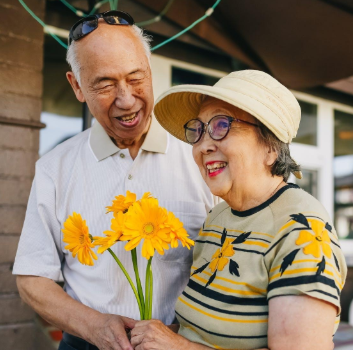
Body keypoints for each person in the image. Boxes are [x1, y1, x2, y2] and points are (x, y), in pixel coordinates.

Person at [13, 11, 213, 350]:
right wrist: (93, 326)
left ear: (150, 72)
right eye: (105, 84)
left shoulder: (201, 155)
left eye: (136, 78)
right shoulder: (54, 168)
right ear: (76, 86)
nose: (126, 99)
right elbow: (32, 278)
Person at [130, 70, 347, 350]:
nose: (203, 145)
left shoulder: (301, 232)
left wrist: (175, 347)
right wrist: (154, 335)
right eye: (198, 130)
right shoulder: (218, 218)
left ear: (270, 147)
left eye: (222, 125)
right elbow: (203, 331)